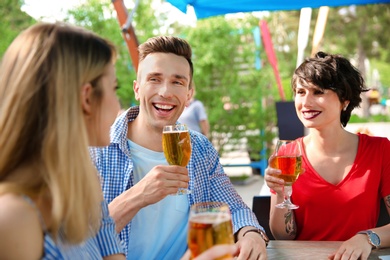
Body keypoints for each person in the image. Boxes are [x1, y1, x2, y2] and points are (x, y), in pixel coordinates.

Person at [91, 35, 268, 260]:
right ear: (137, 88)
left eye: (177, 82)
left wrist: (251, 233)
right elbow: (77, 243)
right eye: (154, 79)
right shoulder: (96, 148)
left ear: (188, 95)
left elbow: (235, 208)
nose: (165, 92)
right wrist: (137, 196)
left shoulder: (200, 148)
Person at [0, 22, 125, 259]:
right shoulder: (13, 220)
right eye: (114, 88)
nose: (118, 105)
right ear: (87, 98)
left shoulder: (82, 181)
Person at [265, 52, 390, 260]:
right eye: (300, 92)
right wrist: (280, 194)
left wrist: (367, 237)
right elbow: (284, 236)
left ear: (345, 101)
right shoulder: (287, 155)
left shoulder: (380, 151)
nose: (306, 102)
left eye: (318, 92)